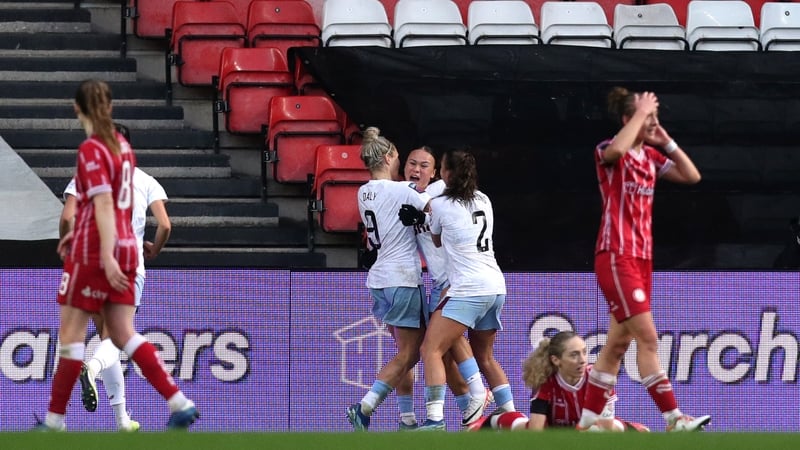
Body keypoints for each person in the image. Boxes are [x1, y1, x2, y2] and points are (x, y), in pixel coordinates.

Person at [38, 79, 197, 431]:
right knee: (121, 334)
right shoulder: (127, 153)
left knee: (75, 334)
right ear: (109, 107)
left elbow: (88, 210)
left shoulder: (92, 152)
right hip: (131, 251)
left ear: (77, 109)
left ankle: (55, 420)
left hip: (98, 251)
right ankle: (170, 404)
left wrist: (81, 244)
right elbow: (162, 223)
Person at [575, 87, 708, 432]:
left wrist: (666, 140)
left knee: (618, 343)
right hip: (616, 255)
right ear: (627, 119)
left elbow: (692, 176)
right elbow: (618, 147)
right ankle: (674, 419)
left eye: (653, 115)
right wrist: (640, 114)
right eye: (645, 115)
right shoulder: (608, 149)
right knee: (648, 339)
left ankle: (588, 422)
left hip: (642, 259)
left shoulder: (651, 156)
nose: (651, 121)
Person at [58, 124, 172, 432]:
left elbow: (67, 218)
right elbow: (165, 225)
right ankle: (92, 368)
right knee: (118, 338)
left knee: (108, 336)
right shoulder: (145, 180)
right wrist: (155, 249)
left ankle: (122, 419)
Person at [414, 148, 515, 430]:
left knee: (431, 349)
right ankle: (512, 418)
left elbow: (435, 240)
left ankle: (436, 418)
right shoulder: (484, 199)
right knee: (485, 356)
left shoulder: (440, 204)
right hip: (495, 286)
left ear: (445, 174)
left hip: (468, 287)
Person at [395, 146, 492, 429]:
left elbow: (441, 218)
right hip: (438, 281)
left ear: (437, 173)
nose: (417, 169)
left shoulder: (440, 192)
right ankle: (472, 414)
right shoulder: (401, 193)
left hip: (455, 280)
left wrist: (422, 216)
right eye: (412, 163)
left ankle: (469, 398)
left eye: (424, 165)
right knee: (445, 353)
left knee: (432, 348)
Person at [346, 127, 431, 431]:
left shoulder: (362, 191)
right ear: (387, 156)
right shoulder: (402, 191)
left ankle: (407, 419)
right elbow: (435, 212)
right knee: (412, 352)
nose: (400, 163)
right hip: (403, 279)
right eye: (397, 157)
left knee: (403, 355)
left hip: (379, 279)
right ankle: (364, 407)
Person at [471, 331, 649, 432]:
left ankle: (634, 428)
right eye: (574, 354)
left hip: (589, 427)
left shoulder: (599, 379)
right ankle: (491, 421)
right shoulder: (546, 381)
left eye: (584, 352)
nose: (582, 360)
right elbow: (536, 432)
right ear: (557, 360)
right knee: (523, 429)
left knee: (608, 431)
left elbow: (606, 429)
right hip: (553, 427)